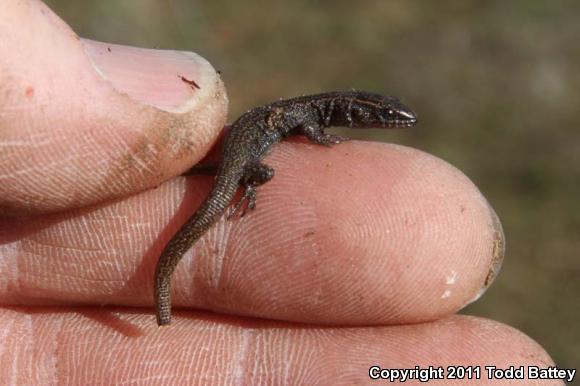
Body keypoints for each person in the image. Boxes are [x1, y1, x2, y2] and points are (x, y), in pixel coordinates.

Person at [0, 1, 559, 383]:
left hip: (240, 157)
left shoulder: (315, 108)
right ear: (356, 111)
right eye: (386, 117)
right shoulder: (311, 116)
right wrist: (270, 168)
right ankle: (168, 293)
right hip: (244, 159)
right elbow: (301, 125)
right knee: (232, 195)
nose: (393, 121)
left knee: (220, 201)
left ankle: (167, 295)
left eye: (389, 116)